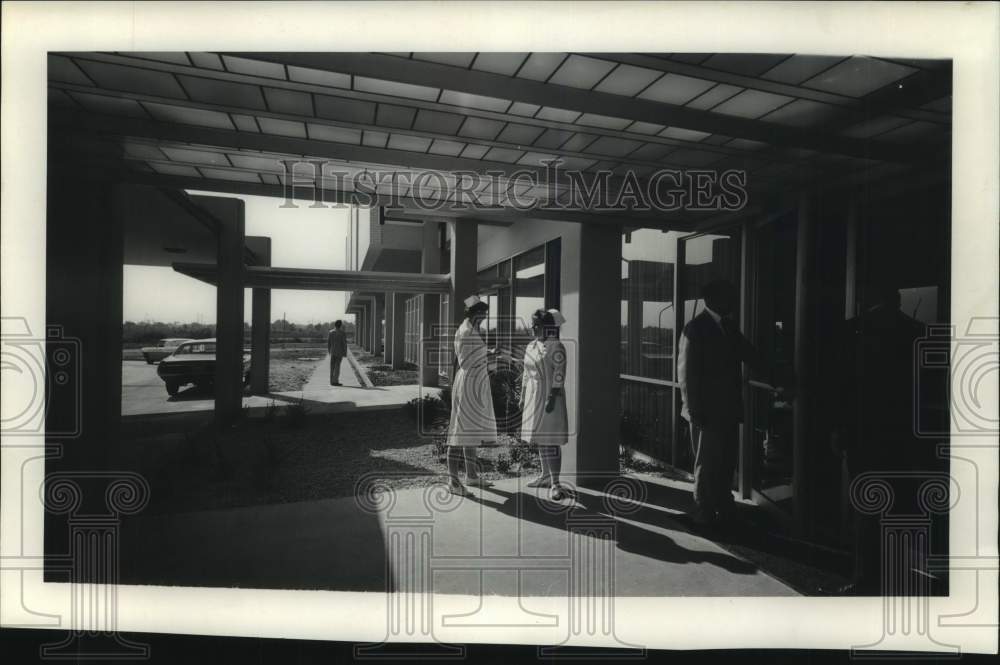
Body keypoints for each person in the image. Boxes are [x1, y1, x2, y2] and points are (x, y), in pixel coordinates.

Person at [827, 283, 929, 595]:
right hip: (903, 435)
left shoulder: (853, 331)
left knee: (867, 508)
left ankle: (866, 578)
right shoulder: (918, 332)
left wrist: (838, 431)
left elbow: (842, 388)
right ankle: (897, 574)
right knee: (898, 505)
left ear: (867, 301)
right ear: (897, 301)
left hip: (863, 434)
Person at [678, 280, 767, 527]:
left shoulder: (728, 327)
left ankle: (724, 507)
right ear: (713, 300)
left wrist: (780, 378)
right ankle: (704, 511)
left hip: (727, 410)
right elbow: (686, 375)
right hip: (705, 413)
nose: (733, 302)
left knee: (726, 462)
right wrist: (695, 411)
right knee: (706, 465)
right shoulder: (694, 329)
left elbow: (751, 356)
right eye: (729, 297)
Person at [445, 295, 497, 496]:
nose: (483, 317)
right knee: (460, 431)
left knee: (470, 431)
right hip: (469, 383)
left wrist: (490, 353)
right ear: (471, 313)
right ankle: (453, 482)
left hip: (474, 381)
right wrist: (492, 354)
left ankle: (472, 476)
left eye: (485, 313)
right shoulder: (466, 332)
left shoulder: (471, 329)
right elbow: (469, 361)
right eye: (480, 313)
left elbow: (476, 356)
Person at [519, 309, 569, 500]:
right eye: (532, 325)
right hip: (533, 396)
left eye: (536, 325)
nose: (532, 328)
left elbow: (559, 375)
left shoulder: (556, 346)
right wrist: (523, 395)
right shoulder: (531, 345)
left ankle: (556, 484)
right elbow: (525, 372)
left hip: (550, 397)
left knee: (551, 440)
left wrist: (551, 399)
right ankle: (545, 476)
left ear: (547, 327)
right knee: (540, 437)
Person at [327, 320, 348, 386]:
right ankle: (335, 381)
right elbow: (344, 344)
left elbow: (329, 343)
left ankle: (331, 381)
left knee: (332, 367)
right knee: (337, 367)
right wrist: (345, 352)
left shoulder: (331, 332)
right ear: (340, 325)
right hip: (339, 352)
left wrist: (329, 351)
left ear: (335, 325)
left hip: (333, 352)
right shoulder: (342, 333)